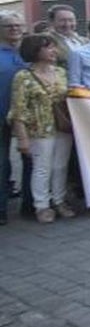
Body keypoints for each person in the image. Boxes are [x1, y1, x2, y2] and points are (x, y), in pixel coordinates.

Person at [10, 34, 74, 224]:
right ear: (35, 51)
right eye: (48, 48)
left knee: (60, 165)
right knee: (42, 167)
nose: (53, 51)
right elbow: (18, 109)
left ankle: (59, 200)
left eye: (54, 47)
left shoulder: (61, 72)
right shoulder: (23, 77)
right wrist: (22, 138)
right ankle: (42, 205)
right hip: (38, 128)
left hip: (62, 126)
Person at [0, 12, 29, 225]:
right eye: (9, 26)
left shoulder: (29, 52)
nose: (14, 29)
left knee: (31, 161)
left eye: (18, 25)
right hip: (2, 115)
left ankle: (29, 204)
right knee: (2, 164)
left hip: (29, 118)